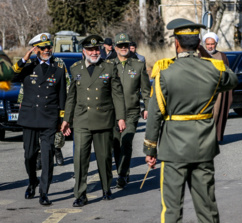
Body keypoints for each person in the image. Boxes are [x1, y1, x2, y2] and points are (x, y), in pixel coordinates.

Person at [144, 18, 237, 223]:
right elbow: (232, 80)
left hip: (174, 149)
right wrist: (208, 60)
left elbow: (155, 113)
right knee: (207, 208)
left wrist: (150, 149)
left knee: (172, 210)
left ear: (176, 43)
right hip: (203, 147)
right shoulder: (213, 70)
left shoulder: (164, 72)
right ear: (199, 44)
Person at [61, 35, 126, 207]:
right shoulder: (76, 69)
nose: (95, 52)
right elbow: (71, 97)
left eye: (97, 49)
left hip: (103, 119)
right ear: (83, 51)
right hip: (82, 120)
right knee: (80, 159)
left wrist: (120, 118)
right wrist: (66, 119)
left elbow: (117, 95)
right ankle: (80, 194)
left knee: (104, 158)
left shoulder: (109, 67)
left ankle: (106, 188)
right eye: (91, 50)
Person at [11, 33, 67, 206]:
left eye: (49, 47)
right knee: (29, 155)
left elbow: (62, 97)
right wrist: (23, 59)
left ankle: (44, 191)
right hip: (30, 118)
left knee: (47, 156)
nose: (46, 50)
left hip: (49, 118)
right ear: (36, 50)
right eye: (42, 48)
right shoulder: (27, 68)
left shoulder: (58, 70)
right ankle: (32, 181)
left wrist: (63, 120)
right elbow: (10, 76)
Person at [113, 33, 151, 189]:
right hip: (113, 113)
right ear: (115, 48)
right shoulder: (108, 65)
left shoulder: (138, 65)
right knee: (115, 144)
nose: (124, 48)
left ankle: (122, 174)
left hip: (131, 111)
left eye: (126, 46)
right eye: (120, 46)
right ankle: (123, 170)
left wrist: (148, 107)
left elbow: (146, 90)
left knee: (126, 142)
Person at [198, 32, 232, 142]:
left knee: (216, 113)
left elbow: (227, 74)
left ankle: (213, 137)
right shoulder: (199, 56)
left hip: (219, 91)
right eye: (207, 44)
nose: (210, 46)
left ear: (216, 44)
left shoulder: (222, 56)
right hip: (203, 91)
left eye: (212, 44)